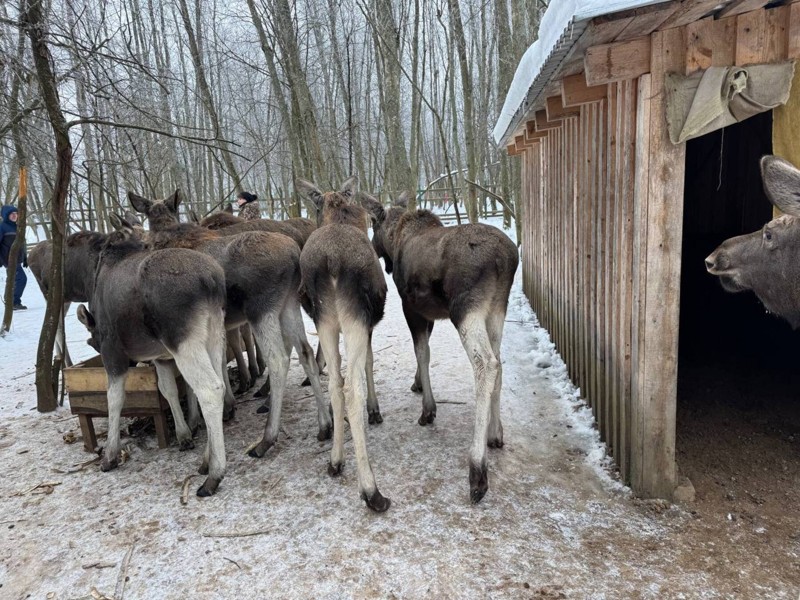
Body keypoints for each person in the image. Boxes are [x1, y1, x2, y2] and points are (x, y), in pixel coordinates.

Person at [0, 205, 27, 310]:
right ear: (6, 216)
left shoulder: (17, 227)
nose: (14, 216)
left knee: (11, 279)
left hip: (17, 259)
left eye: (16, 214)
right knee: (21, 279)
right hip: (9, 259)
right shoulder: (2, 227)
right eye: (12, 214)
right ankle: (14, 302)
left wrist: (24, 258)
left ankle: (10, 301)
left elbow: (21, 244)